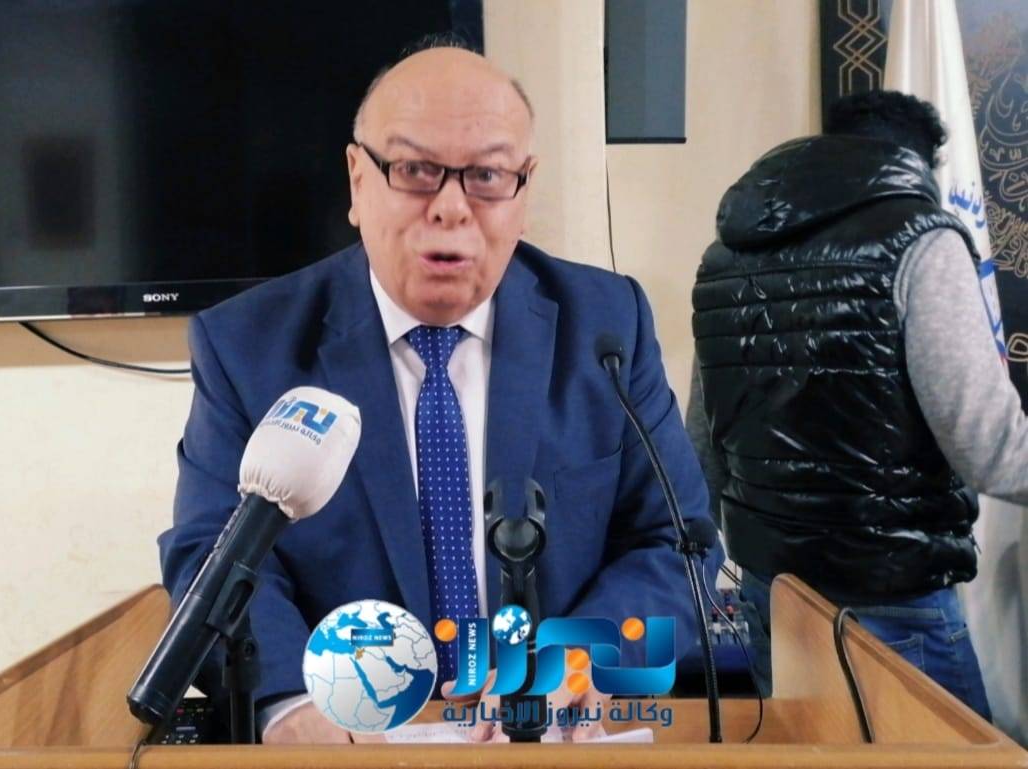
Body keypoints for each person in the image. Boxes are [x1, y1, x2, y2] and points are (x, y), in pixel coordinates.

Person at [160, 39, 722, 744]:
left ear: (524, 188)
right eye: (416, 170)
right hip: (352, 744)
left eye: (487, 175)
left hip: (549, 743)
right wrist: (291, 706)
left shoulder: (606, 327)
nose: (452, 208)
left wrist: (580, 663)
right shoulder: (249, 346)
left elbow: (679, 542)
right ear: (358, 180)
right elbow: (214, 554)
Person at [687, 90, 1028, 720]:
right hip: (891, 599)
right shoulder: (919, 239)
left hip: (773, 594)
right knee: (959, 763)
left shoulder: (728, 255)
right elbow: (992, 450)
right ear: (918, 162)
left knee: (806, 757)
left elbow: (704, 447)